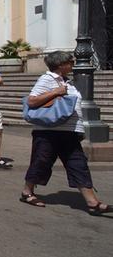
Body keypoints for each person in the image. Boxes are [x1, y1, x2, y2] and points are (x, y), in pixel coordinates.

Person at [20, 51, 112, 214]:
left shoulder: (66, 81)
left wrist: (79, 129)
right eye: (71, 61)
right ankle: (27, 192)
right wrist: (56, 92)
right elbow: (32, 101)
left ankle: (93, 203)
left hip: (69, 132)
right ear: (61, 64)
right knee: (41, 163)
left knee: (78, 165)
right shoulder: (47, 79)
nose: (73, 64)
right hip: (48, 132)